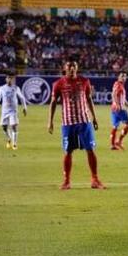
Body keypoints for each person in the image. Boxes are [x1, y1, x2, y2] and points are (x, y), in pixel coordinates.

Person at [47, 59, 106, 190]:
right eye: (69, 66)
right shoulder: (58, 84)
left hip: (84, 122)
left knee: (90, 150)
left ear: (77, 68)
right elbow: (53, 103)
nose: (72, 68)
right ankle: (66, 181)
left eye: (74, 66)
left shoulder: (84, 81)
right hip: (68, 123)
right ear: (65, 68)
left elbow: (89, 99)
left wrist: (94, 118)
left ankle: (95, 179)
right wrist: (50, 121)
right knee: (68, 151)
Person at [0, 72, 27, 150]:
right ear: (6, 79)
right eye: (8, 78)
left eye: (11, 78)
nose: (10, 79)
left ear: (13, 80)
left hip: (13, 111)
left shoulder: (16, 88)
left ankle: (15, 143)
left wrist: (24, 108)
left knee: (13, 126)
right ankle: (9, 139)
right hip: (4, 111)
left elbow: (22, 98)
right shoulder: (2, 88)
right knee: (4, 127)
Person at [110, 71, 128, 150]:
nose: (123, 78)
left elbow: (121, 96)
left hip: (114, 109)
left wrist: (127, 104)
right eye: (122, 76)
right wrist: (118, 104)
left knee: (115, 126)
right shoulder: (119, 85)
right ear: (118, 77)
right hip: (120, 109)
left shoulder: (117, 84)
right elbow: (114, 94)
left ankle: (112, 145)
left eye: (125, 76)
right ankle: (119, 141)